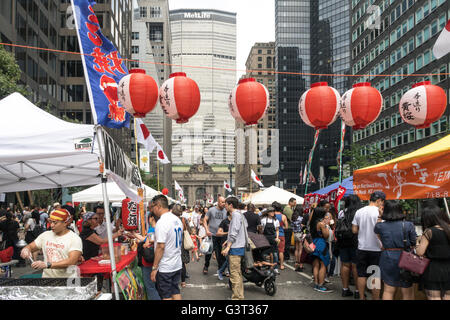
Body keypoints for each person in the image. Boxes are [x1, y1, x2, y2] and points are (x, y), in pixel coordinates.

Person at [20, 208, 83, 278]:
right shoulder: (45, 235)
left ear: (65, 223)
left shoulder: (74, 238)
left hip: (68, 280)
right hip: (48, 278)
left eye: (55, 223)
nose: (52, 225)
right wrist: (26, 249)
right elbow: (31, 246)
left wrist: (48, 265)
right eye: (51, 222)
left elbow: (72, 261)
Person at [374, 200, 417, 300]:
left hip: (387, 257)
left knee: (388, 290)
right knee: (407, 290)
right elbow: (413, 243)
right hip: (405, 257)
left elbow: (378, 233)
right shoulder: (408, 225)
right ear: (400, 210)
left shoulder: (380, 226)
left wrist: (380, 216)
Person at [352, 191, 385, 300]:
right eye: (383, 202)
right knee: (375, 275)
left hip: (362, 247)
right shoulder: (380, 213)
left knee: (361, 275)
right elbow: (382, 231)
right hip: (376, 248)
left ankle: (362, 297)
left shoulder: (359, 211)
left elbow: (354, 230)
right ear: (379, 200)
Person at [80, 211, 123, 293]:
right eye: (95, 218)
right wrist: (117, 234)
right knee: (93, 284)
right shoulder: (87, 232)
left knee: (97, 280)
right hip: (87, 261)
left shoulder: (92, 231)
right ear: (89, 220)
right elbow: (101, 242)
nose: (98, 219)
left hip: (92, 259)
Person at [150, 195, 183, 300]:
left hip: (166, 266)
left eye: (153, 206)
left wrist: (154, 267)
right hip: (176, 263)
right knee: (175, 291)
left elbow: (160, 246)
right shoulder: (177, 219)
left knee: (166, 295)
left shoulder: (162, 222)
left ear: (158, 206)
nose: (152, 209)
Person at [416, 205, 450, 300]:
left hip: (433, 269)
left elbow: (420, 252)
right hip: (448, 267)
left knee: (434, 297)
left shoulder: (429, 231)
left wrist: (418, 242)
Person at [129, 213, 161, 300]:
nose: (148, 220)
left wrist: (144, 245)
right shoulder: (159, 228)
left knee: (150, 287)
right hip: (156, 260)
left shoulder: (152, 229)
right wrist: (134, 234)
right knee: (155, 286)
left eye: (148, 218)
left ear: (152, 218)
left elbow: (147, 243)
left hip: (149, 262)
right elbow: (146, 239)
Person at [337, 195, 362, 299]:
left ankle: (345, 289)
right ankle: (358, 291)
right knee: (356, 266)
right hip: (356, 241)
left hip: (343, 241)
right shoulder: (360, 212)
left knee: (345, 265)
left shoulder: (341, 212)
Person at [221, 197, 247, 300]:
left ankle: (237, 298)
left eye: (226, 204)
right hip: (239, 247)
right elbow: (241, 229)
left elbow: (234, 231)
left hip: (236, 248)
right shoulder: (240, 214)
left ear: (231, 205)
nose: (225, 206)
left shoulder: (235, 215)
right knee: (238, 274)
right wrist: (228, 240)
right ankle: (239, 296)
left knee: (235, 275)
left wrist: (228, 246)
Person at [310, 207, 333, 293]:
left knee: (316, 264)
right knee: (323, 265)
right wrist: (327, 226)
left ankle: (316, 283)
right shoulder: (321, 224)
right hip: (321, 244)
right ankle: (320, 285)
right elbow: (326, 235)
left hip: (314, 243)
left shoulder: (313, 222)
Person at [202, 196, 227, 275]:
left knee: (220, 253)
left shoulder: (226, 211)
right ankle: (206, 266)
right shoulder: (211, 210)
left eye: (224, 202)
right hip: (212, 235)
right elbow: (204, 220)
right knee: (209, 252)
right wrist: (207, 230)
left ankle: (221, 269)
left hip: (222, 236)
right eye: (222, 202)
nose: (224, 204)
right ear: (218, 202)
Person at [171, 203, 190, 289]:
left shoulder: (170, 220)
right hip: (181, 243)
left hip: (172, 244)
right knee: (182, 263)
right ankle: (183, 282)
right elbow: (189, 230)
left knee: (173, 262)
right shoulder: (183, 220)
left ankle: (174, 280)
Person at [260, 207, 280, 274]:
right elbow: (261, 230)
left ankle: (275, 268)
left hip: (273, 238)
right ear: (268, 213)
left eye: (273, 211)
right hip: (265, 238)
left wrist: (277, 237)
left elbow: (277, 230)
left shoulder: (276, 221)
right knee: (265, 254)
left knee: (275, 254)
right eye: (271, 212)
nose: (272, 213)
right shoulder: (263, 220)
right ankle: (266, 266)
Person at [216, 211, 232, 280]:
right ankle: (221, 271)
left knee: (230, 259)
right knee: (228, 259)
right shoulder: (224, 222)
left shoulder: (235, 221)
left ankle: (223, 271)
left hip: (233, 242)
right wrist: (227, 233)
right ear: (230, 213)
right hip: (225, 243)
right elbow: (218, 233)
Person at [273, 201, 288, 270]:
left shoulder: (272, 215)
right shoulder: (283, 216)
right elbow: (286, 227)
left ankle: (273, 265)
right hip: (281, 235)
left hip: (273, 234)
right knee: (281, 251)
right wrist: (280, 228)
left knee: (273, 251)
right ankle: (281, 265)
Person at [291, 205, 304, 272]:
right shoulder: (301, 218)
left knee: (296, 248)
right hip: (300, 233)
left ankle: (296, 262)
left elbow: (292, 227)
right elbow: (302, 227)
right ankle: (299, 262)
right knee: (300, 249)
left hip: (295, 234)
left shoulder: (293, 217)